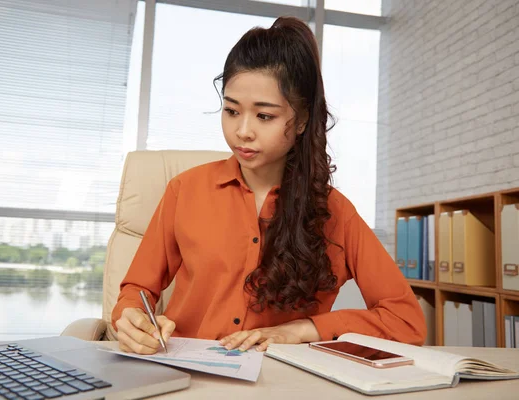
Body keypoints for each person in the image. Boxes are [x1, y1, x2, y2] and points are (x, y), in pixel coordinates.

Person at [111, 16, 426, 355]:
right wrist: (132, 318)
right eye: (231, 111)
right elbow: (136, 291)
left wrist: (303, 329)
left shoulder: (335, 212)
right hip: (189, 375)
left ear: (302, 119)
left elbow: (405, 321)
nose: (243, 131)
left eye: (264, 116)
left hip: (280, 382)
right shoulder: (184, 190)